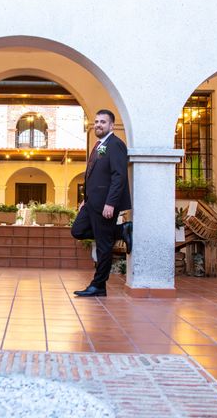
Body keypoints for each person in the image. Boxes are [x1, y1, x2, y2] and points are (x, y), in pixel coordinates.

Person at [71, 110, 131, 297]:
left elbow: (119, 176)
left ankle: (99, 285)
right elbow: (94, 175)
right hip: (92, 204)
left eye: (103, 122)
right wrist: (85, 200)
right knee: (78, 230)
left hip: (105, 205)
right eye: (96, 121)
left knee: (104, 246)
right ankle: (121, 230)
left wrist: (111, 203)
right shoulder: (99, 145)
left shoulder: (116, 145)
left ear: (112, 125)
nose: (98, 124)